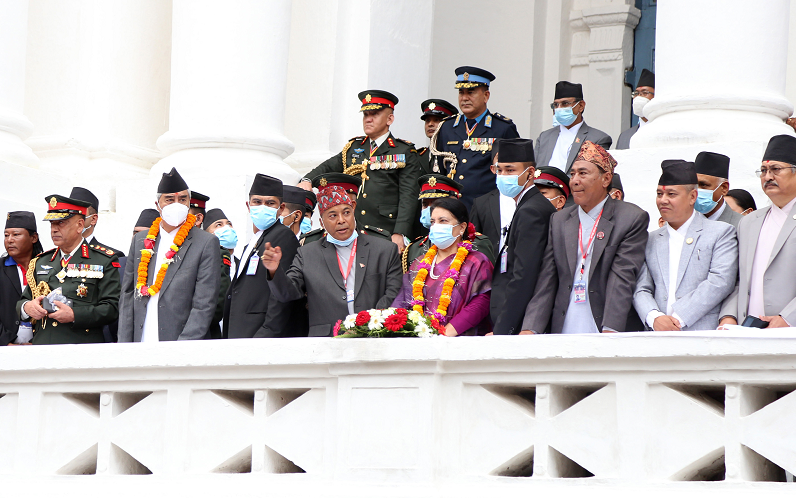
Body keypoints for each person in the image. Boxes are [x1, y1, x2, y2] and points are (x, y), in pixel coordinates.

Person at [521, 141, 649, 334]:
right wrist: (531, 328)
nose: (574, 180)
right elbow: (547, 278)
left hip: (604, 324)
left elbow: (622, 277)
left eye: (583, 173)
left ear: (606, 179)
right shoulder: (559, 219)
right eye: (572, 174)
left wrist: (611, 330)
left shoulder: (630, 218)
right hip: (564, 322)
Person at [262, 185, 402, 337]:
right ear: (322, 223)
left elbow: (394, 293)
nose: (341, 220)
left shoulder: (384, 250)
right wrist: (274, 271)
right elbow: (288, 294)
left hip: (373, 337)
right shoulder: (307, 254)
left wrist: (369, 323)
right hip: (326, 341)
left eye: (346, 213)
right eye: (333, 216)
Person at [299, 90, 422, 253]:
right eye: (365, 115)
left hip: (385, 231)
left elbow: (409, 196)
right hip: (352, 230)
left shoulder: (403, 151)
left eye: (375, 114)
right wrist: (307, 180)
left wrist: (400, 232)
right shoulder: (353, 148)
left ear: (390, 119)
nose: (368, 119)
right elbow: (328, 167)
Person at [118, 168, 220, 342]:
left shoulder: (205, 242)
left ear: (189, 203)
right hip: (140, 338)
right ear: (158, 205)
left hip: (179, 341)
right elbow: (128, 296)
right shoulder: (141, 240)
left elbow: (204, 303)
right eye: (169, 199)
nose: (176, 204)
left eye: (182, 199)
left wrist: (182, 347)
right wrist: (125, 343)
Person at [633, 161, 738, 331]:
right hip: (657, 334)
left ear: (692, 197)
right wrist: (654, 317)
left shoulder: (720, 232)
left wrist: (678, 319)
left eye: (671, 194)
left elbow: (720, 281)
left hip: (702, 332)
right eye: (659, 194)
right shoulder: (650, 239)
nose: (663, 200)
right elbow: (641, 287)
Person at [17, 195, 121, 345]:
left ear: (80, 225)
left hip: (81, 347)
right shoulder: (41, 261)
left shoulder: (104, 260)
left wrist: (74, 315)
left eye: (61, 223)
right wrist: (27, 308)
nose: (54, 229)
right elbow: (22, 301)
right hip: (43, 346)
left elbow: (112, 308)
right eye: (52, 224)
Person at [719, 134, 796, 328]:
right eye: (763, 171)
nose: (768, 177)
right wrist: (728, 316)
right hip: (748, 331)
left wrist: (788, 318)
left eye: (776, 169)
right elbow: (738, 280)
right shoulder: (749, 222)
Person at [393, 197, 493, 336]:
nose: (436, 226)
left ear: (462, 227)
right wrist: (392, 323)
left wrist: (445, 334)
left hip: (460, 341)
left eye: (443, 221)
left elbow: (481, 302)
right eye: (433, 222)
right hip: (420, 341)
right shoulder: (419, 263)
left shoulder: (476, 261)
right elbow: (403, 300)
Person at [488, 138, 556, 335]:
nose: (503, 176)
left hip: (520, 324)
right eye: (499, 170)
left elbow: (524, 275)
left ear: (531, 173)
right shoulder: (526, 205)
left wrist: (503, 328)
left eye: (510, 170)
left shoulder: (531, 211)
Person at [431, 66, 519, 211]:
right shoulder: (446, 127)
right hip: (452, 208)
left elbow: (513, 173)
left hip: (487, 209)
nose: (464, 98)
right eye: (461, 93)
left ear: (486, 96)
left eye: (470, 92)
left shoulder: (503, 128)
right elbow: (439, 170)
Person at [223, 174, 300, 339]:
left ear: (281, 208)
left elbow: (280, 294)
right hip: (241, 332)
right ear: (248, 205)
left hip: (259, 334)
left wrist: (267, 334)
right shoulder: (253, 241)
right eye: (257, 202)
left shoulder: (283, 236)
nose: (262, 207)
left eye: (270, 203)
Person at [403, 174, 495, 273]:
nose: (430, 210)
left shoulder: (478, 244)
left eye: (436, 203)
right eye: (425, 204)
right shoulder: (414, 248)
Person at [534, 81, 612, 174]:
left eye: (565, 103)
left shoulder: (597, 139)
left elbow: (594, 176)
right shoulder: (544, 137)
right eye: (556, 105)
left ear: (581, 106)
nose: (559, 108)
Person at [300, 173, 389, 245]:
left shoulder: (379, 240)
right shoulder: (309, 242)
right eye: (333, 214)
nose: (341, 220)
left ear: (353, 205)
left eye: (345, 210)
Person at [1, 212, 43, 345]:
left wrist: (36, 342)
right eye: (6, 235)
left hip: (41, 345)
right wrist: (7, 342)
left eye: (16, 234)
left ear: (34, 238)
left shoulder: (47, 268)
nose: (9, 240)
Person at [203, 208, 236, 339]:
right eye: (219, 225)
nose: (227, 228)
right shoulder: (205, 264)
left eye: (229, 224)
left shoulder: (243, 262)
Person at [70, 187, 124, 257]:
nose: (72, 220)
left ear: (93, 219)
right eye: (69, 215)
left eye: (79, 215)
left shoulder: (110, 257)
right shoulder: (56, 255)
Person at [693, 151, 742, 227]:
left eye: (704, 185)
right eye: (694, 185)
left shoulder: (741, 225)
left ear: (724, 188)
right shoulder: (681, 222)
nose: (697, 191)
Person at [616, 69, 655, 150]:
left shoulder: (664, 129)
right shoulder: (625, 136)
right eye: (636, 93)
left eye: (645, 93)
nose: (639, 97)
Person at [417, 98, 459, 169]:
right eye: (427, 120)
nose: (430, 124)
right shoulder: (418, 156)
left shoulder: (454, 154)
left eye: (436, 120)